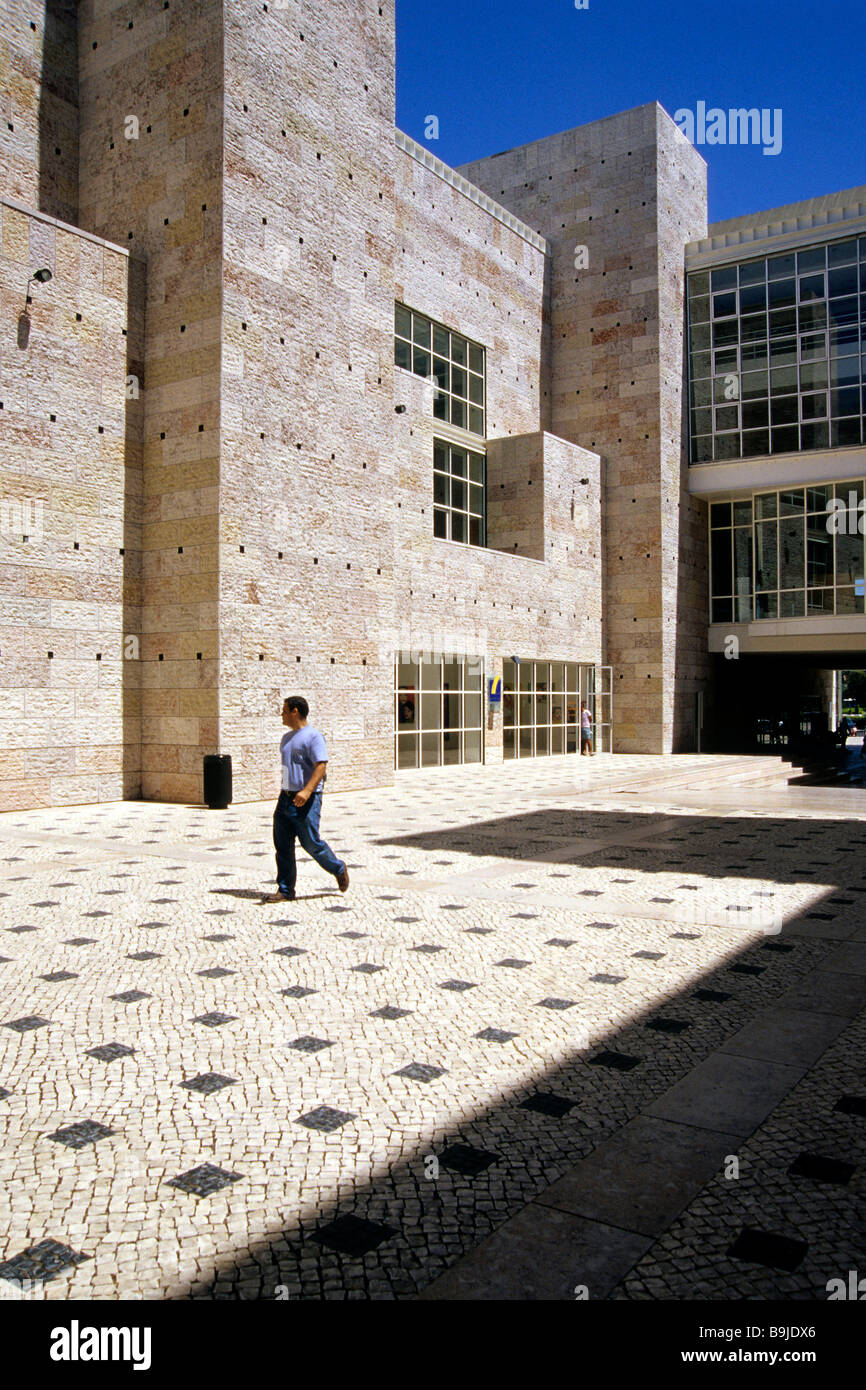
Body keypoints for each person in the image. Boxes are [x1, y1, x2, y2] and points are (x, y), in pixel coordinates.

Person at [261, 696, 349, 902]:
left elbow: (321, 766)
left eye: (284, 711)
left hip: (307, 799)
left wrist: (307, 791)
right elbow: (286, 767)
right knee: (282, 845)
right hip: (285, 798)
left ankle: (338, 867)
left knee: (310, 843)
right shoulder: (286, 738)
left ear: (295, 711)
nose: (281, 715)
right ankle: (285, 890)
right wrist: (285, 789)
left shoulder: (313, 737)